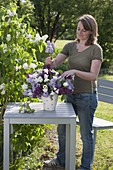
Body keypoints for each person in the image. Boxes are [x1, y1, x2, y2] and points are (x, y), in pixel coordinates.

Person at [44, 14, 103, 170]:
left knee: (85, 134)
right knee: (62, 129)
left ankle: (85, 167)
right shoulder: (70, 46)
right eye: (78, 29)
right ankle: (61, 160)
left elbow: (93, 76)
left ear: (91, 32)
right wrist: (49, 62)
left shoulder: (95, 50)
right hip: (70, 95)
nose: (80, 33)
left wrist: (75, 71)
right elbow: (56, 63)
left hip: (87, 96)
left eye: (84, 30)